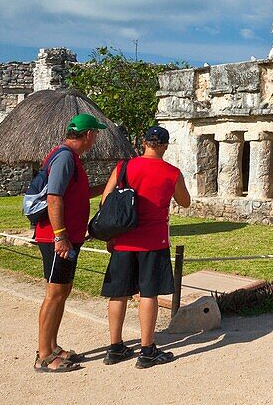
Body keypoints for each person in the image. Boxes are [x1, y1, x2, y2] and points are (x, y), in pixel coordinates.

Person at [99, 125, 191, 368]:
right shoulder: (171, 172)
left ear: (143, 142)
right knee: (148, 293)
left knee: (118, 293)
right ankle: (147, 349)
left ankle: (115, 347)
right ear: (165, 145)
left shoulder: (124, 167)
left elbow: (105, 199)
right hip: (153, 240)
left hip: (124, 238)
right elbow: (185, 201)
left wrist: (112, 234)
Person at [34, 113, 110, 373]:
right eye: (95, 134)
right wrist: (61, 235)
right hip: (58, 239)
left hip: (66, 237)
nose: (96, 138)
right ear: (88, 134)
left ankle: (52, 346)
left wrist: (107, 185)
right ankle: (44, 355)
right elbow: (54, 197)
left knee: (61, 292)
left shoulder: (70, 157)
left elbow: (75, 193)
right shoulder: (66, 156)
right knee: (54, 294)